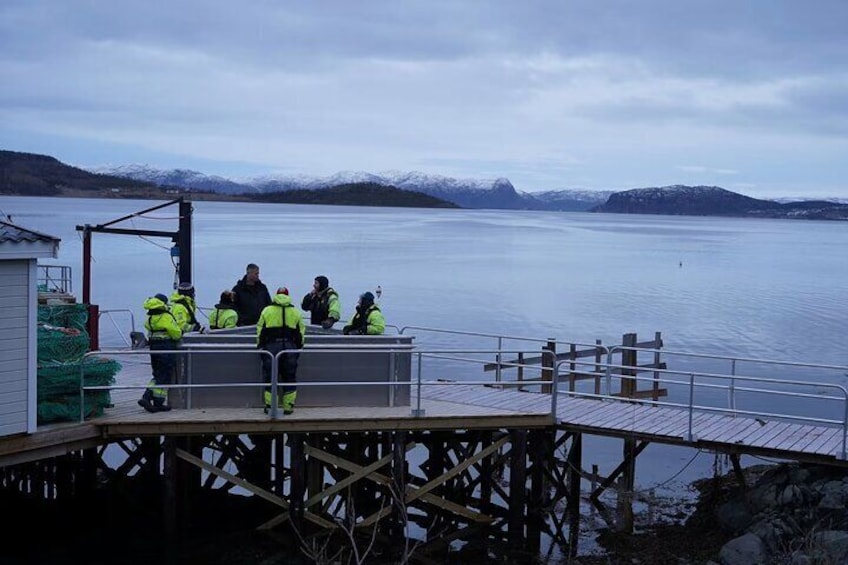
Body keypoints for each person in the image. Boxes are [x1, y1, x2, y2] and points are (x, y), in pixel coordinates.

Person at [257, 286, 305, 415]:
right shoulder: (295, 312)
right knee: (290, 377)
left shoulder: (267, 310)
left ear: (276, 295)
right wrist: (298, 348)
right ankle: (288, 407)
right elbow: (301, 332)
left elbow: (260, 330)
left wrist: (260, 346)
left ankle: (270, 405)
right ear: (288, 296)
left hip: (271, 347)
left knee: (270, 377)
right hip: (289, 347)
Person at [138, 293, 183, 413]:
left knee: (158, 373)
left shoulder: (149, 317)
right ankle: (150, 398)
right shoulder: (166, 316)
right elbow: (176, 333)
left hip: (154, 347)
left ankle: (154, 401)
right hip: (166, 346)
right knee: (165, 374)